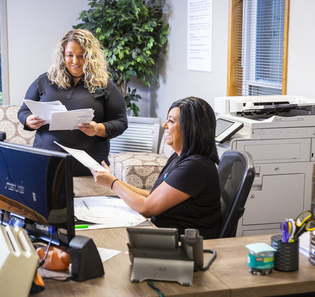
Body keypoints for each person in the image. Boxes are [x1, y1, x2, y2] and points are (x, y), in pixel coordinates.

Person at [91, 97, 222, 239]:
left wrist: (112, 183)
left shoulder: (195, 167)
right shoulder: (179, 157)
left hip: (184, 245)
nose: (165, 125)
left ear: (190, 128)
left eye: (171, 121)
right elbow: (152, 196)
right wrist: (113, 180)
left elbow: (146, 208)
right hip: (166, 236)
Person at [18, 29, 128, 176]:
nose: (75, 61)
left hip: (89, 168)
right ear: (62, 55)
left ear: (90, 57)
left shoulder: (105, 85)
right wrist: (28, 120)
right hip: (45, 164)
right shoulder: (45, 80)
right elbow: (23, 111)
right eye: (70, 55)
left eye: (81, 56)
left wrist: (97, 129)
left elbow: (121, 122)